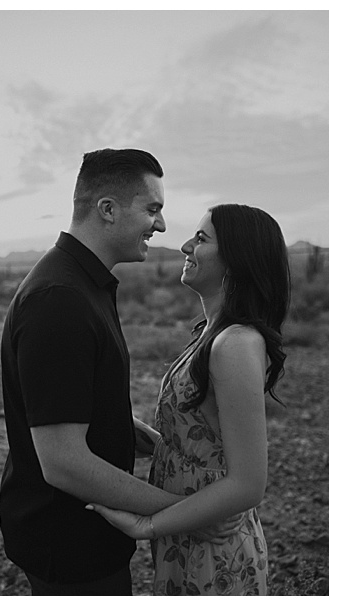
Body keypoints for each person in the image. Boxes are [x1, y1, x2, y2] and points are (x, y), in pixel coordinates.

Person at [0, 148, 240, 595]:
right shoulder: (60, 299)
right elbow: (64, 463)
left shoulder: (84, 285)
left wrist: (127, 431)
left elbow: (64, 403)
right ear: (107, 209)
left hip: (85, 537)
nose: (162, 225)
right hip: (69, 546)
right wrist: (184, 513)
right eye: (152, 209)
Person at [88, 204, 290, 595]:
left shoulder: (235, 344)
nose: (183, 246)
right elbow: (200, 438)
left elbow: (249, 483)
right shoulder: (213, 335)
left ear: (238, 258)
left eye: (200, 239)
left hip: (215, 546)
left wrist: (148, 525)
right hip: (190, 530)